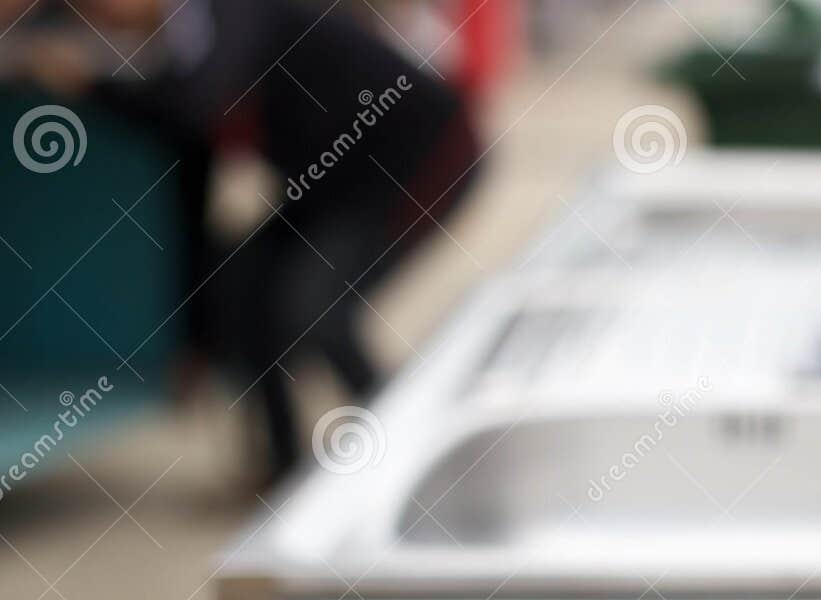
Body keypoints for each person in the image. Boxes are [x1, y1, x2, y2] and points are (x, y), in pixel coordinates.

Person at [12, 0, 482, 486]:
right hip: (334, 182)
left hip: (423, 155)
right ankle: (284, 475)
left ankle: (422, 455)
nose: (94, 14)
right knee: (245, 288)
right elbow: (191, 187)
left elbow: (194, 101)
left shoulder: (225, 16)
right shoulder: (184, 61)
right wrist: (195, 337)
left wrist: (92, 84)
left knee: (314, 308)